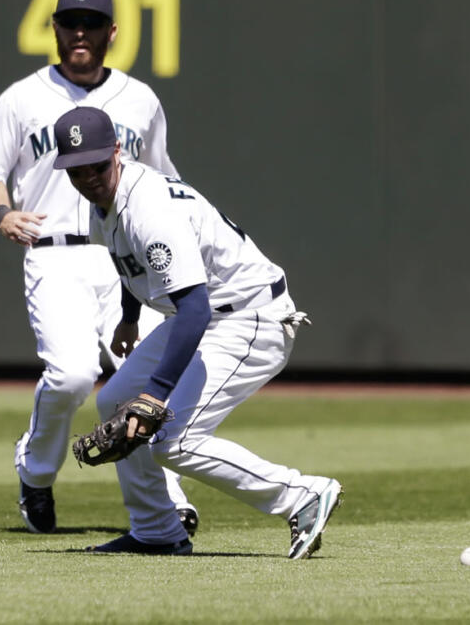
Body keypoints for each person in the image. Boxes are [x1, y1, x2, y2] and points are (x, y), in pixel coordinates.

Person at [52, 106, 343, 556]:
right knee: (114, 401)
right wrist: (129, 318)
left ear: (116, 151)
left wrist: (156, 394)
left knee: (173, 440)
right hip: (205, 314)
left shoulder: (148, 209)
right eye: (76, 167)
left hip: (249, 317)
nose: (88, 175)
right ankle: (156, 531)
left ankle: (301, 496)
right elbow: (132, 266)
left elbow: (194, 310)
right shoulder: (105, 203)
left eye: (95, 163)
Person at [0, 0, 197, 535]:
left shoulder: (140, 100)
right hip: (55, 256)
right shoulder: (22, 98)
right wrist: (3, 215)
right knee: (72, 377)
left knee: (142, 377)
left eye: (91, 22)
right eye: (69, 21)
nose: (79, 32)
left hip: (124, 255)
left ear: (111, 33)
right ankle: (36, 471)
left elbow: (164, 181)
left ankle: (167, 501)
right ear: (54, 28)